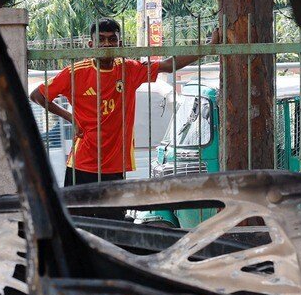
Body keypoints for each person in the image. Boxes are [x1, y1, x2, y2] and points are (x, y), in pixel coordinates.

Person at [30, 18, 219, 218]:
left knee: (115, 227)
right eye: (101, 40)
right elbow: (37, 95)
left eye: (112, 39)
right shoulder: (76, 72)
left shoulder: (129, 69)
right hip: (82, 166)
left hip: (115, 166)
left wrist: (209, 47)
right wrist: (70, 117)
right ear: (91, 44)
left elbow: (167, 65)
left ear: (120, 44)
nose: (107, 45)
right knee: (78, 227)